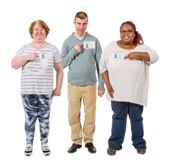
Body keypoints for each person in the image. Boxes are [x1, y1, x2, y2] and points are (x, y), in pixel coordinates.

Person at [100, 21, 159, 155]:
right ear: (120, 33)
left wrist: (137, 54)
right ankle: (114, 145)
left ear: (134, 33)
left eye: (129, 31)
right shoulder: (111, 47)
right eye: (123, 31)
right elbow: (102, 67)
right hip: (117, 93)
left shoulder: (141, 48)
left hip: (136, 93)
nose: (126, 34)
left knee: (136, 119)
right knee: (118, 118)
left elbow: (155, 57)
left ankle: (139, 144)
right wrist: (108, 85)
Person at [11, 20, 63, 156]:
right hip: (28, 92)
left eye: (42, 30)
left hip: (45, 91)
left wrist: (58, 88)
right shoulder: (24, 48)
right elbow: (13, 64)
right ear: (31, 32)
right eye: (36, 30)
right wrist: (27, 57)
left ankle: (44, 143)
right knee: (29, 119)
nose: (39, 32)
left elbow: (60, 70)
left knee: (45, 119)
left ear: (46, 32)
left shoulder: (53, 48)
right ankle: (29, 143)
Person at [61, 11, 105, 154]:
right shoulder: (68, 42)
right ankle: (76, 140)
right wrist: (73, 51)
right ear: (74, 22)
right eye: (79, 23)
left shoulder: (94, 40)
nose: (81, 27)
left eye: (84, 23)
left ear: (87, 23)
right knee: (73, 114)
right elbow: (61, 64)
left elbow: (101, 64)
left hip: (90, 84)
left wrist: (101, 85)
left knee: (90, 114)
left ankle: (89, 141)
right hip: (73, 84)